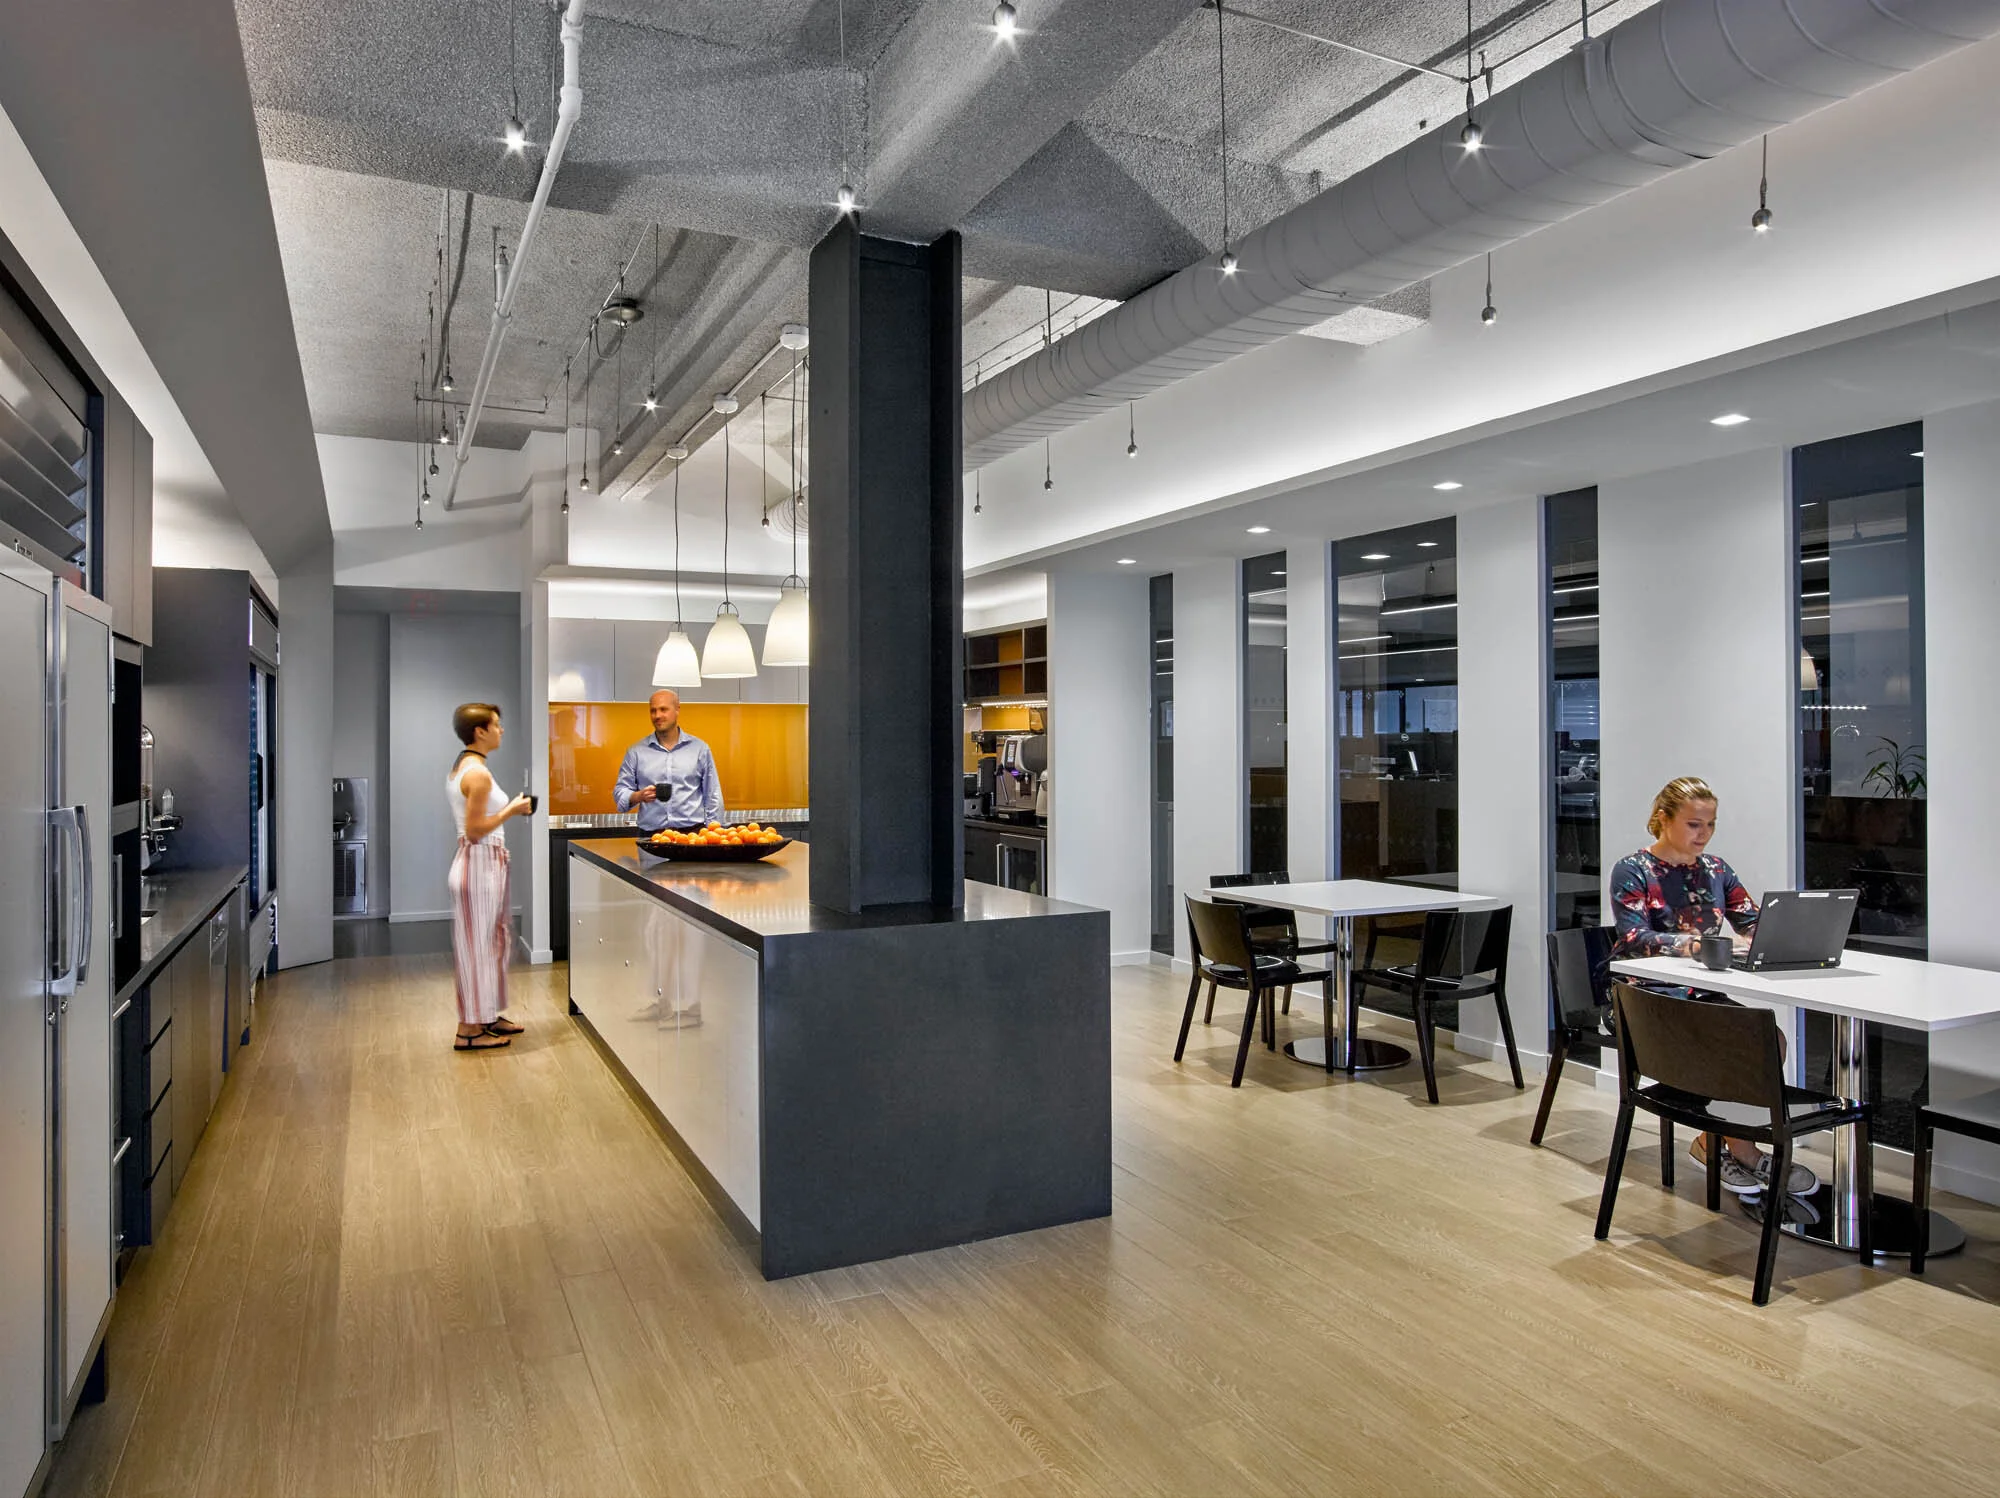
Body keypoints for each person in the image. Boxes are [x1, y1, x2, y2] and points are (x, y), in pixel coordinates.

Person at [1609, 776, 1817, 1202]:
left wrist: (1781, 937)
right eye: (1693, 824)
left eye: (1710, 825)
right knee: (1733, 1044)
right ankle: (1740, 1149)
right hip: (1647, 995)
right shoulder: (1633, 869)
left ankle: (1714, 1142)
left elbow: (1749, 920)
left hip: (1698, 992)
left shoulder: (1717, 870)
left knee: (1770, 1040)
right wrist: (1692, 944)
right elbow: (1633, 937)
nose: (1703, 834)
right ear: (1663, 819)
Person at [446, 703, 533, 1052]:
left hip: (487, 863)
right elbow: (475, 830)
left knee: (493, 942)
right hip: (478, 863)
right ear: (479, 732)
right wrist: (512, 808)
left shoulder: (468, 767)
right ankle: (468, 1030)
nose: (501, 730)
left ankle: (486, 1016)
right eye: (496, 725)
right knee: (476, 948)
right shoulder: (477, 774)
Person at [613, 688, 724, 833]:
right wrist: (638, 796)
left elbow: (712, 795)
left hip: (692, 835)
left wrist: (714, 832)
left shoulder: (699, 749)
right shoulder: (636, 752)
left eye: (663, 709)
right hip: (651, 836)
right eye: (653, 711)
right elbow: (620, 792)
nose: (657, 715)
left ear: (677, 710)